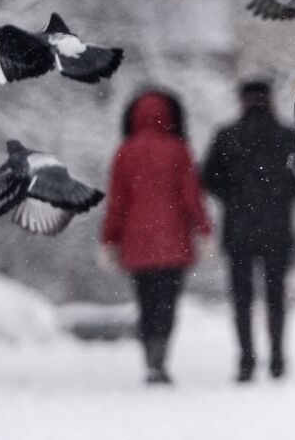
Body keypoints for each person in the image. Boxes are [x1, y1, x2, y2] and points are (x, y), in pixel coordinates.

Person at [100, 89, 212, 385]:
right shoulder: (178, 149)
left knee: (146, 302)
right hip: (174, 241)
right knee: (167, 303)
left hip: (136, 242)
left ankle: (150, 359)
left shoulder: (125, 151)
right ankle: (160, 359)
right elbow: (192, 197)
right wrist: (203, 230)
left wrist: (108, 240)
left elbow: (117, 202)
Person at [201, 80, 295, 382]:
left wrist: (234, 200)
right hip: (277, 229)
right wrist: (280, 201)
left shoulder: (227, 136)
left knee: (242, 298)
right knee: (275, 297)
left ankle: (247, 359)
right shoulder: (288, 137)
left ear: (242, 101)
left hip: (239, 230)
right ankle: (277, 358)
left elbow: (208, 178)